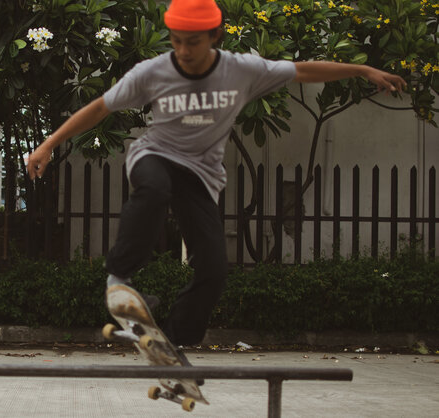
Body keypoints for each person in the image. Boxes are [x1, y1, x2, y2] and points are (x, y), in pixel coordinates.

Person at [26, 0, 405, 358]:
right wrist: (48, 144)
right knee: (154, 191)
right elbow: (99, 108)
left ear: (215, 37)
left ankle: (172, 342)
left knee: (214, 270)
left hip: (201, 174)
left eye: (192, 43)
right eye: (176, 42)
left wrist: (361, 69)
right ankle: (120, 277)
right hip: (154, 156)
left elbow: (303, 70)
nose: (184, 51)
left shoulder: (242, 70)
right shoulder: (153, 72)